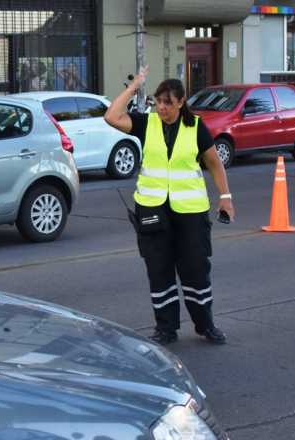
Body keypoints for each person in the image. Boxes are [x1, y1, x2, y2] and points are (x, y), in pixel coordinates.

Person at [104, 66, 235, 345]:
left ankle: (205, 324)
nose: (161, 108)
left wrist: (225, 198)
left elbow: (214, 163)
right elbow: (111, 116)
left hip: (190, 212)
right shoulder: (146, 123)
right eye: (158, 101)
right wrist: (134, 86)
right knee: (159, 269)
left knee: (196, 269)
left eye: (167, 103)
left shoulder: (196, 127)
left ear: (180, 102)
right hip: (152, 209)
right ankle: (166, 328)